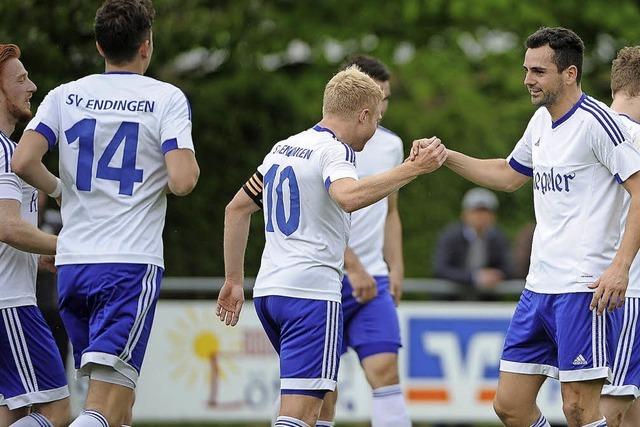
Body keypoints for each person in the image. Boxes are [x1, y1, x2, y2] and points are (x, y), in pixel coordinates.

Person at [412, 27, 640, 427]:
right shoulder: (539, 123)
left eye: (538, 71)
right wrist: (445, 156)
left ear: (569, 74)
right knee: (509, 404)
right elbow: (507, 174)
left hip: (583, 290)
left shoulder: (598, 123)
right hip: (538, 288)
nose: (527, 80)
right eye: (526, 70)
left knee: (580, 410)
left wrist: (620, 266)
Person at [217, 66, 447, 427]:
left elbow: (236, 208)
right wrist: (413, 169)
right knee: (301, 413)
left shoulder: (283, 148)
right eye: (376, 120)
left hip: (270, 293)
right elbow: (348, 196)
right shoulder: (334, 151)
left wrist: (233, 279)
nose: (375, 132)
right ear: (364, 115)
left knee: (316, 405)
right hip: (311, 295)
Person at [11, 0, 200, 425]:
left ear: (100, 46)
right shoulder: (165, 98)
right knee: (103, 407)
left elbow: (23, 161)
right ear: (146, 46)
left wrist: (61, 190)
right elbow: (184, 180)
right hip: (128, 266)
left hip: (74, 266)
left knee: (118, 407)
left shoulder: (65, 95)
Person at [314, 55, 411, 427]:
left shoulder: (390, 145)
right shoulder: (321, 146)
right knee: (323, 392)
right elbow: (315, 221)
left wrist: (396, 266)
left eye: (386, 98)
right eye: (377, 98)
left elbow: (391, 210)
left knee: (385, 371)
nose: (382, 108)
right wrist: (351, 267)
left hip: (375, 278)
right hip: (327, 279)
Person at [0, 43, 70, 427]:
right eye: (21, 79)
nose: (32, 86)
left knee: (11, 411)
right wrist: (71, 247)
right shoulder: (1, 152)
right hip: (10, 303)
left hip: (9, 298)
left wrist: (38, 255)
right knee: (56, 411)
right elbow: (7, 226)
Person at [600, 46, 640, 427]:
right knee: (612, 408)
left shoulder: (588, 128)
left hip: (604, 284)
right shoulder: (629, 136)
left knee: (622, 409)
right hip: (625, 292)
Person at [433, 187, 512, 299]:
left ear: (494, 216)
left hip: (486, 302)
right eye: (476, 211)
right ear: (465, 214)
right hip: (451, 301)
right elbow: (441, 269)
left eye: (486, 212)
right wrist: (474, 278)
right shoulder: (450, 236)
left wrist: (496, 275)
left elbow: (509, 267)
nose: (481, 217)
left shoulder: (498, 238)